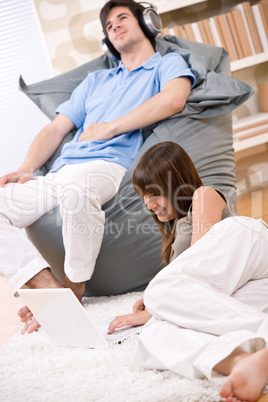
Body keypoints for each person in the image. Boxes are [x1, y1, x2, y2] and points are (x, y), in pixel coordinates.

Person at [0, 1, 196, 334]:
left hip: (105, 165)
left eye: (123, 18)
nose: (115, 26)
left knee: (77, 193)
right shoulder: (96, 80)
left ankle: (75, 287)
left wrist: (111, 127)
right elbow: (56, 129)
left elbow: (174, 99)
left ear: (146, 22)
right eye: (109, 25)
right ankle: (50, 292)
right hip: (59, 173)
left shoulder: (166, 64)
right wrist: (26, 167)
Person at [107, 142, 268, 402]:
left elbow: (196, 264)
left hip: (251, 246)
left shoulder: (203, 195)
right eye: (143, 196)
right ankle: (241, 360)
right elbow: (193, 285)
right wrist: (159, 310)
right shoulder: (174, 228)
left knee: (160, 295)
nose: (149, 204)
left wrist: (158, 303)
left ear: (176, 184)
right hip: (252, 287)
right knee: (151, 337)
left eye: (154, 193)